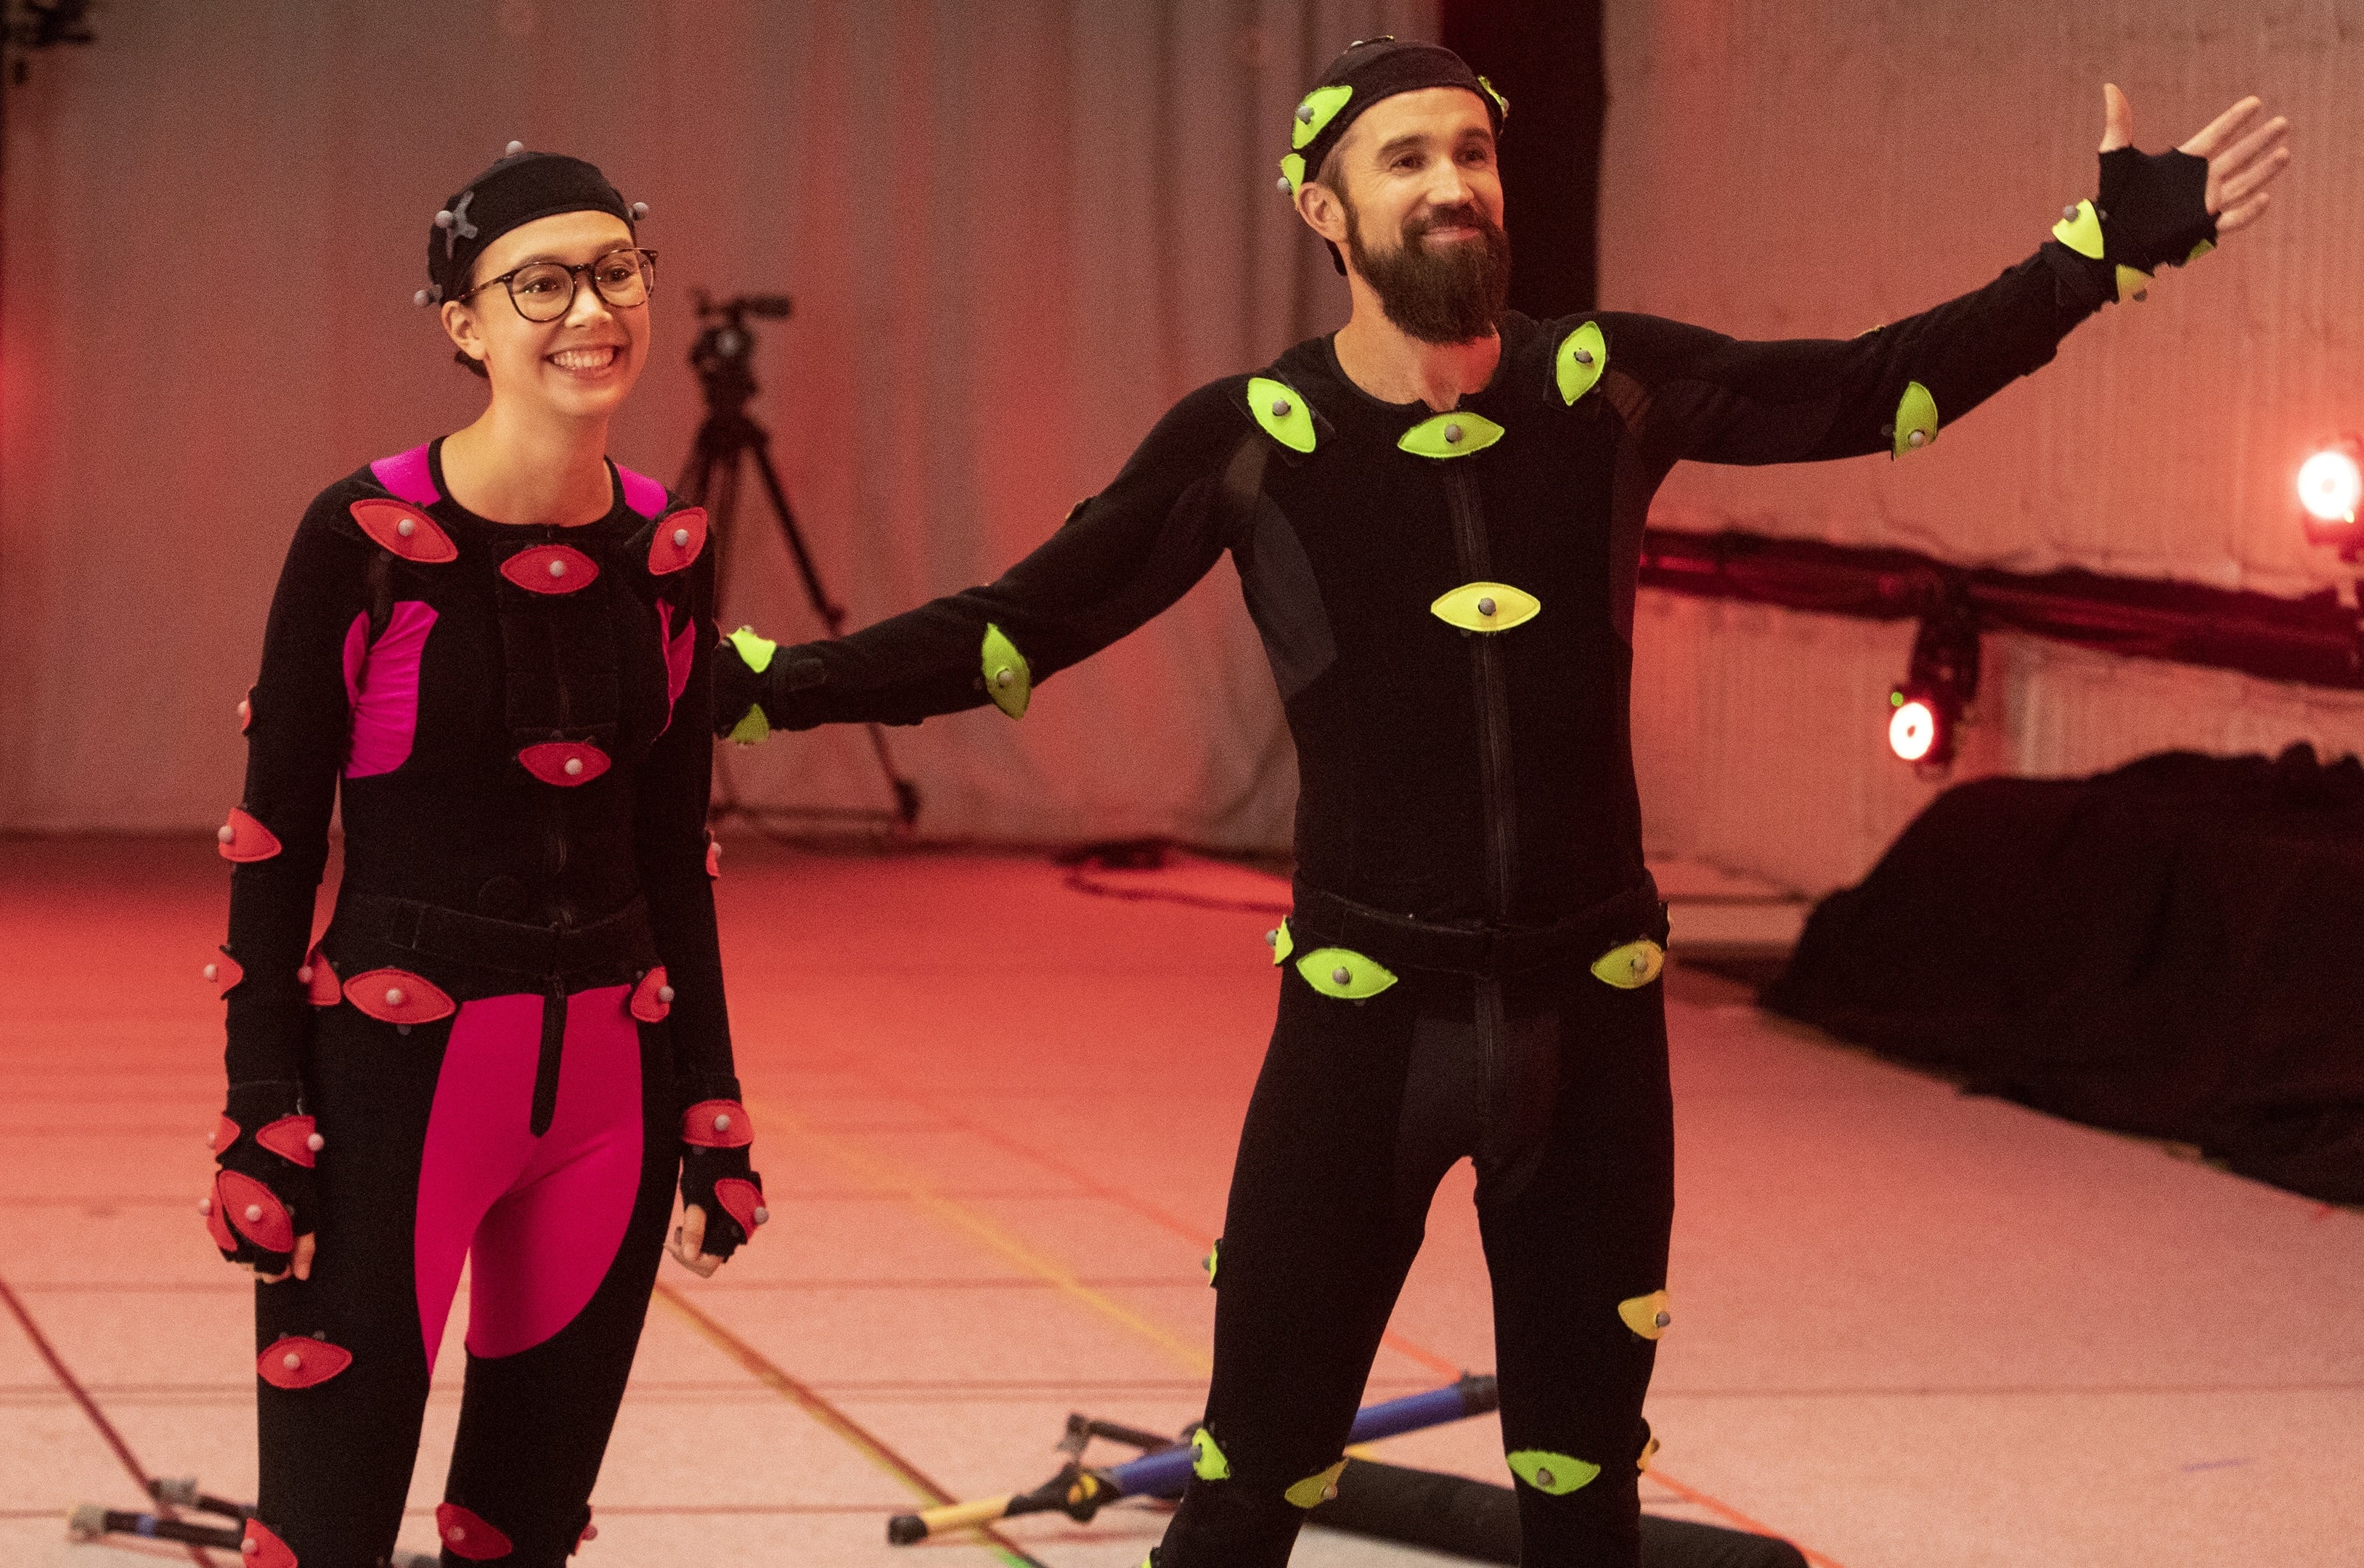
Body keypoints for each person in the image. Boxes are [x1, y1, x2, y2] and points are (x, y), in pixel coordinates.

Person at [712, 39, 2289, 1567]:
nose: (1452, 182)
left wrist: (2091, 259)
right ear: (1323, 210)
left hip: (1592, 1033)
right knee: (1245, 1499)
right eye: (1405, 159)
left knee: (1585, 1514)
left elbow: (1871, 388)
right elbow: (1013, 629)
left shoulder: (1609, 385)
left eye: (1472, 151)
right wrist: (763, 687)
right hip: (1363, 1042)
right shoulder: (1250, 443)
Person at [202, 147, 766, 1568]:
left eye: (616, 271)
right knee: (322, 1537)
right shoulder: (361, 537)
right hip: (391, 1098)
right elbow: (276, 843)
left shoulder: (667, 545)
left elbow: (672, 848)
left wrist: (712, 1097)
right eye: (542, 284)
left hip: (611, 1102)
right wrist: (260, 1108)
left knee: (520, 1537)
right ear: (463, 323)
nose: (593, 311)